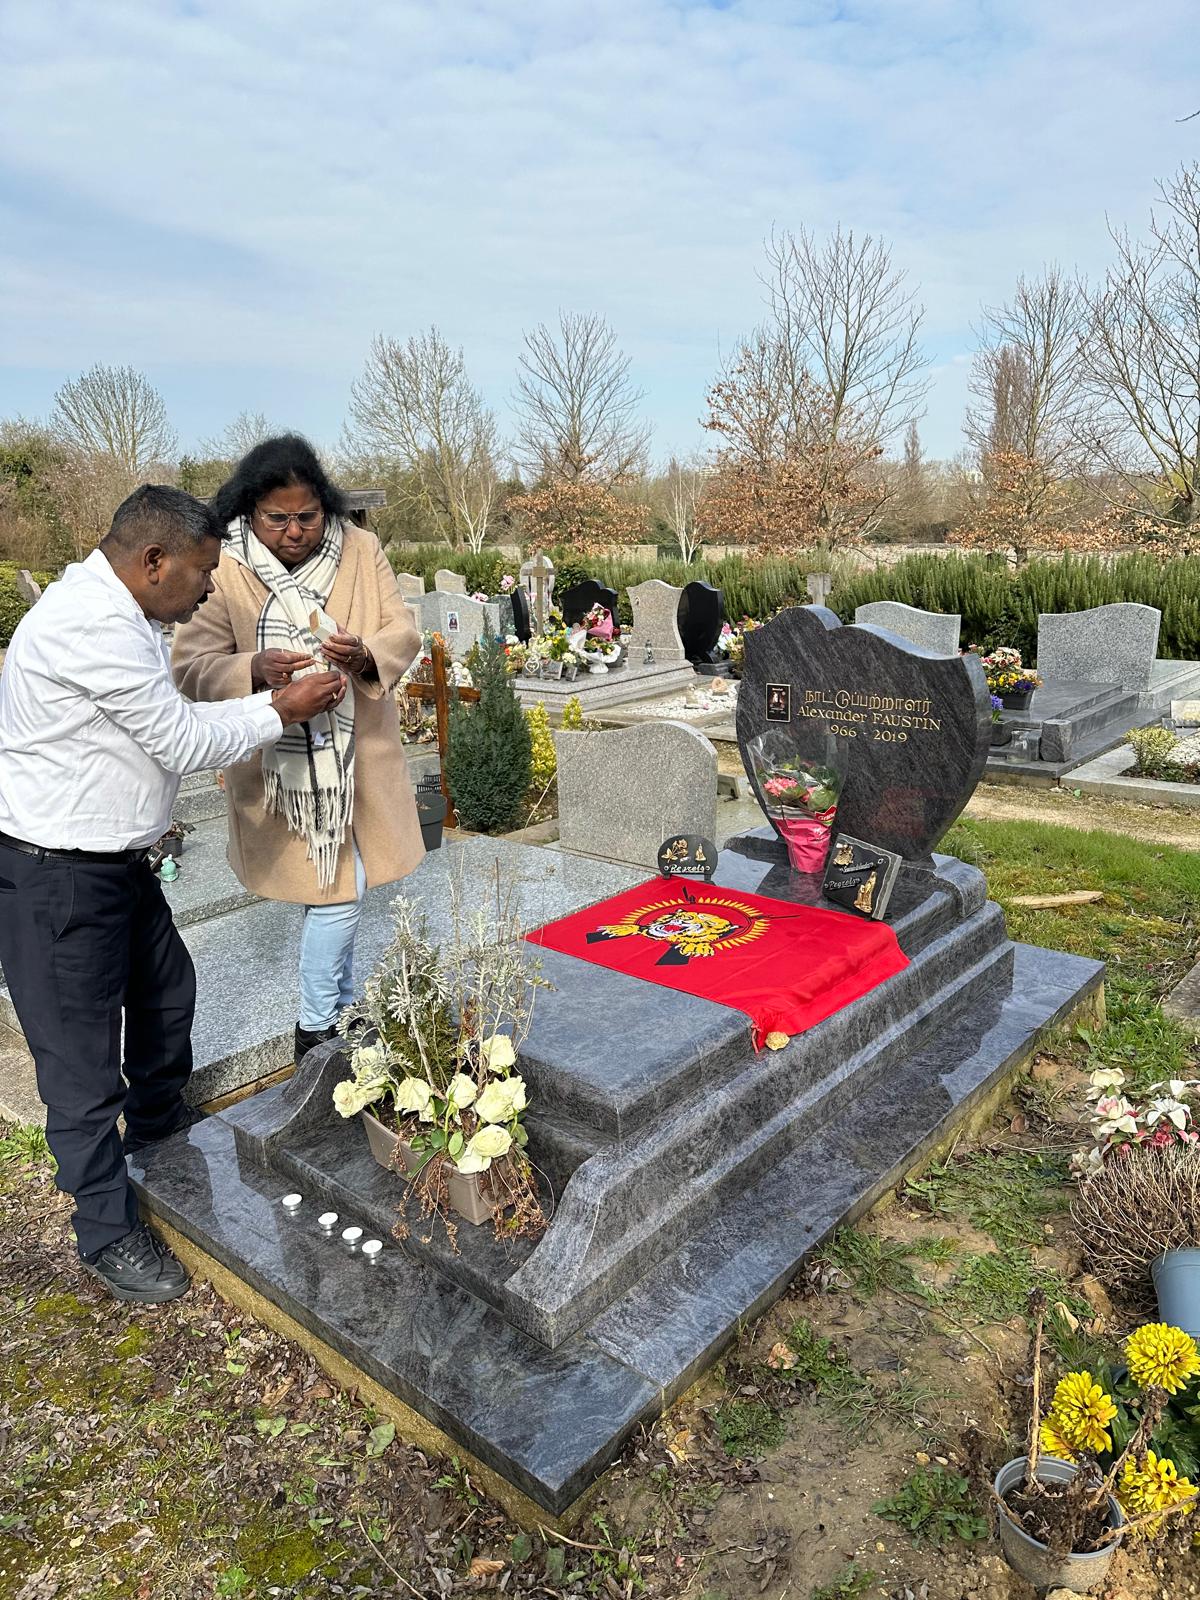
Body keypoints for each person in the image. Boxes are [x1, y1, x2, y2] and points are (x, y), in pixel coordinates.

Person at [0, 486, 345, 1303]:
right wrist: (279, 708)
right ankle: (105, 1230)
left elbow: (155, 712)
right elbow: (181, 740)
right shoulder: (90, 624)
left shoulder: (122, 612)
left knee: (165, 997)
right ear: (154, 561)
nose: (208, 588)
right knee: (80, 1066)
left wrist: (250, 675)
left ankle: (158, 1131)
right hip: (59, 877)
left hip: (116, 865)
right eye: (202, 571)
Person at [172, 435, 423, 1065]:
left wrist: (365, 654)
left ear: (325, 506)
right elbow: (190, 667)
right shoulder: (223, 563)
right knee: (336, 890)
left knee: (341, 887)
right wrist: (255, 668)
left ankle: (335, 1015)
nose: (293, 531)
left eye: (307, 517)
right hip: (278, 768)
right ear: (249, 510)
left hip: (361, 757)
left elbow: (401, 628)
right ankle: (316, 1027)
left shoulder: (359, 547)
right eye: (276, 518)